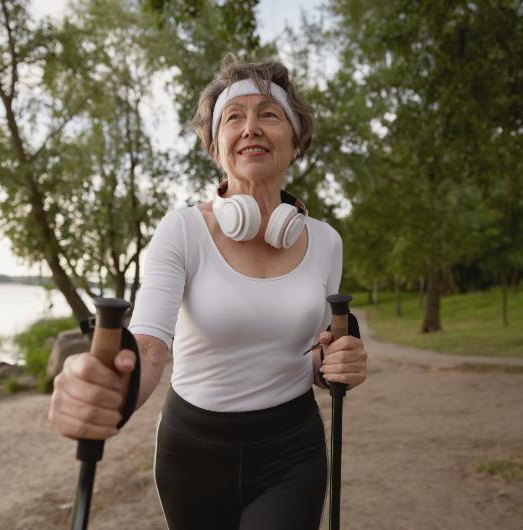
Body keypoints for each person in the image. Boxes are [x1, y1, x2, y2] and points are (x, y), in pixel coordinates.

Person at [49, 55, 368, 530]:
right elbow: (152, 346)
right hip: (191, 455)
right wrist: (109, 389)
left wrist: (337, 363)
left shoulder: (326, 241)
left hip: (292, 452)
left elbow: (319, 348)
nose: (251, 127)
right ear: (216, 145)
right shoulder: (181, 230)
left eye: (269, 114)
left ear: (296, 139)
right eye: (234, 117)